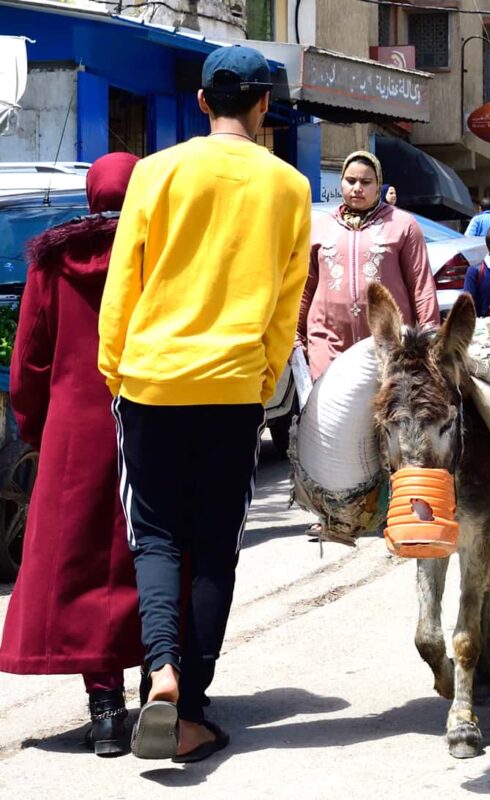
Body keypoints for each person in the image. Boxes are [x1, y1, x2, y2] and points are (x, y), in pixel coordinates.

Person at [98, 44, 311, 762]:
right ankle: (189, 709)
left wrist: (114, 370)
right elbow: (286, 306)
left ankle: (158, 671)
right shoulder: (286, 189)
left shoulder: (156, 172)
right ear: (261, 107)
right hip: (230, 388)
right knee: (215, 544)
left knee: (154, 535)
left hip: (152, 379)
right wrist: (259, 383)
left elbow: (123, 279)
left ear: (200, 104)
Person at [0, 153, 144, 756]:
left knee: (82, 561)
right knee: (154, 552)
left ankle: (106, 708)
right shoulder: (156, 253)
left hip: (72, 430)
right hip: (147, 416)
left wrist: (35, 427)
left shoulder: (52, 262)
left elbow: (30, 356)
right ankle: (166, 686)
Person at [296, 150, 440, 381]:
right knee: (328, 413)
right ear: (341, 182)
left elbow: (421, 286)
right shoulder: (319, 227)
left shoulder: (403, 225)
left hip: (389, 344)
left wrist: (430, 337)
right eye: (350, 180)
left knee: (384, 411)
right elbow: (304, 286)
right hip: (327, 341)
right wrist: (295, 334)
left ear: (378, 185)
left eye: (366, 182)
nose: (357, 188)